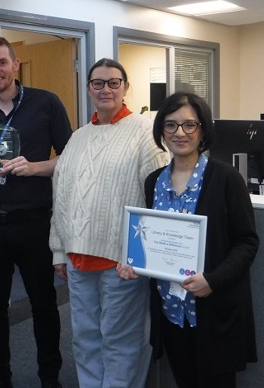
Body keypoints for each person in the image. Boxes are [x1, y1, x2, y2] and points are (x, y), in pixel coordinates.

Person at [118, 92, 259, 388]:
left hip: (213, 312)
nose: (179, 133)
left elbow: (247, 243)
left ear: (203, 129)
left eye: (189, 125)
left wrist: (213, 280)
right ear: (161, 132)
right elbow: (150, 238)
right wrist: (135, 264)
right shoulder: (154, 181)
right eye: (170, 125)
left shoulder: (227, 179)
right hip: (172, 313)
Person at [0, 36, 72, 388]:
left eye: (1, 62)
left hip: (36, 225)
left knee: (43, 306)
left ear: (15, 64)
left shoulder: (46, 103)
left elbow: (70, 158)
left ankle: (50, 378)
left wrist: (35, 167)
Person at [49, 58, 170, 388]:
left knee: (121, 341)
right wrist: (59, 251)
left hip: (121, 262)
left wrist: (141, 257)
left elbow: (158, 200)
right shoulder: (77, 137)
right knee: (85, 340)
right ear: (89, 89)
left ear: (126, 87)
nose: (106, 89)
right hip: (78, 259)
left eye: (114, 82)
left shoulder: (146, 134)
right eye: (98, 83)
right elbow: (61, 196)